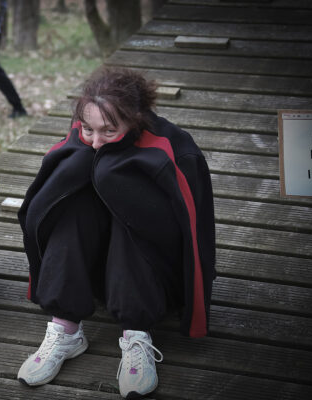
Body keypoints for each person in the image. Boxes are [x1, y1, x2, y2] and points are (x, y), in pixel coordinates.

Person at [16, 68, 216, 398]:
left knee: (129, 213)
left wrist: (118, 182)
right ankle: (65, 329)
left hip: (149, 275)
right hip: (91, 271)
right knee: (72, 208)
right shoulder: (80, 141)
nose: (94, 141)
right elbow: (38, 213)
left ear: (134, 119)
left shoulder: (172, 147)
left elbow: (188, 237)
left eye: (109, 131)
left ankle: (136, 334)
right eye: (87, 129)